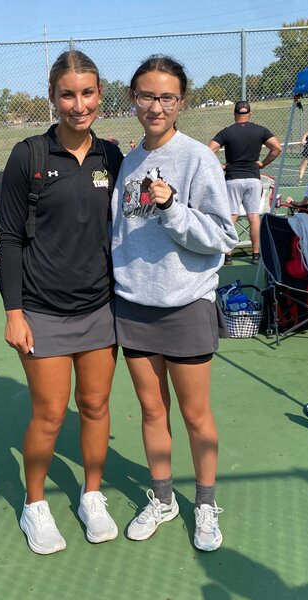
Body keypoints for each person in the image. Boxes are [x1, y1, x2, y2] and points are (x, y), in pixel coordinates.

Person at [0, 50, 123, 554]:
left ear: (100, 95)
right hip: (41, 312)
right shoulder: (27, 156)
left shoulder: (112, 157)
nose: (78, 104)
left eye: (87, 93)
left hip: (100, 308)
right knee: (49, 415)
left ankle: (92, 496)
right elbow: (9, 238)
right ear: (53, 97)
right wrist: (13, 312)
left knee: (94, 406)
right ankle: (35, 505)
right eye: (68, 94)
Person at [111, 55, 238, 552]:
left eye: (166, 97)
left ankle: (204, 505)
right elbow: (119, 232)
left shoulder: (197, 159)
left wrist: (171, 209)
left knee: (195, 415)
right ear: (133, 99)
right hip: (135, 307)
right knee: (150, 410)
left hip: (186, 306)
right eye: (146, 95)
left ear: (181, 102)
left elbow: (222, 236)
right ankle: (163, 499)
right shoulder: (127, 162)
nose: (156, 106)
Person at [209, 101, 281, 265]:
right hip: (253, 179)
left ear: (235, 115)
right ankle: (256, 255)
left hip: (233, 178)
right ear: (250, 114)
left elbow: (208, 149)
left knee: (231, 217)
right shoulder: (260, 130)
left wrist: (220, 166)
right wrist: (263, 163)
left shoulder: (227, 131)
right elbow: (276, 148)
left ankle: (227, 254)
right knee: (253, 216)